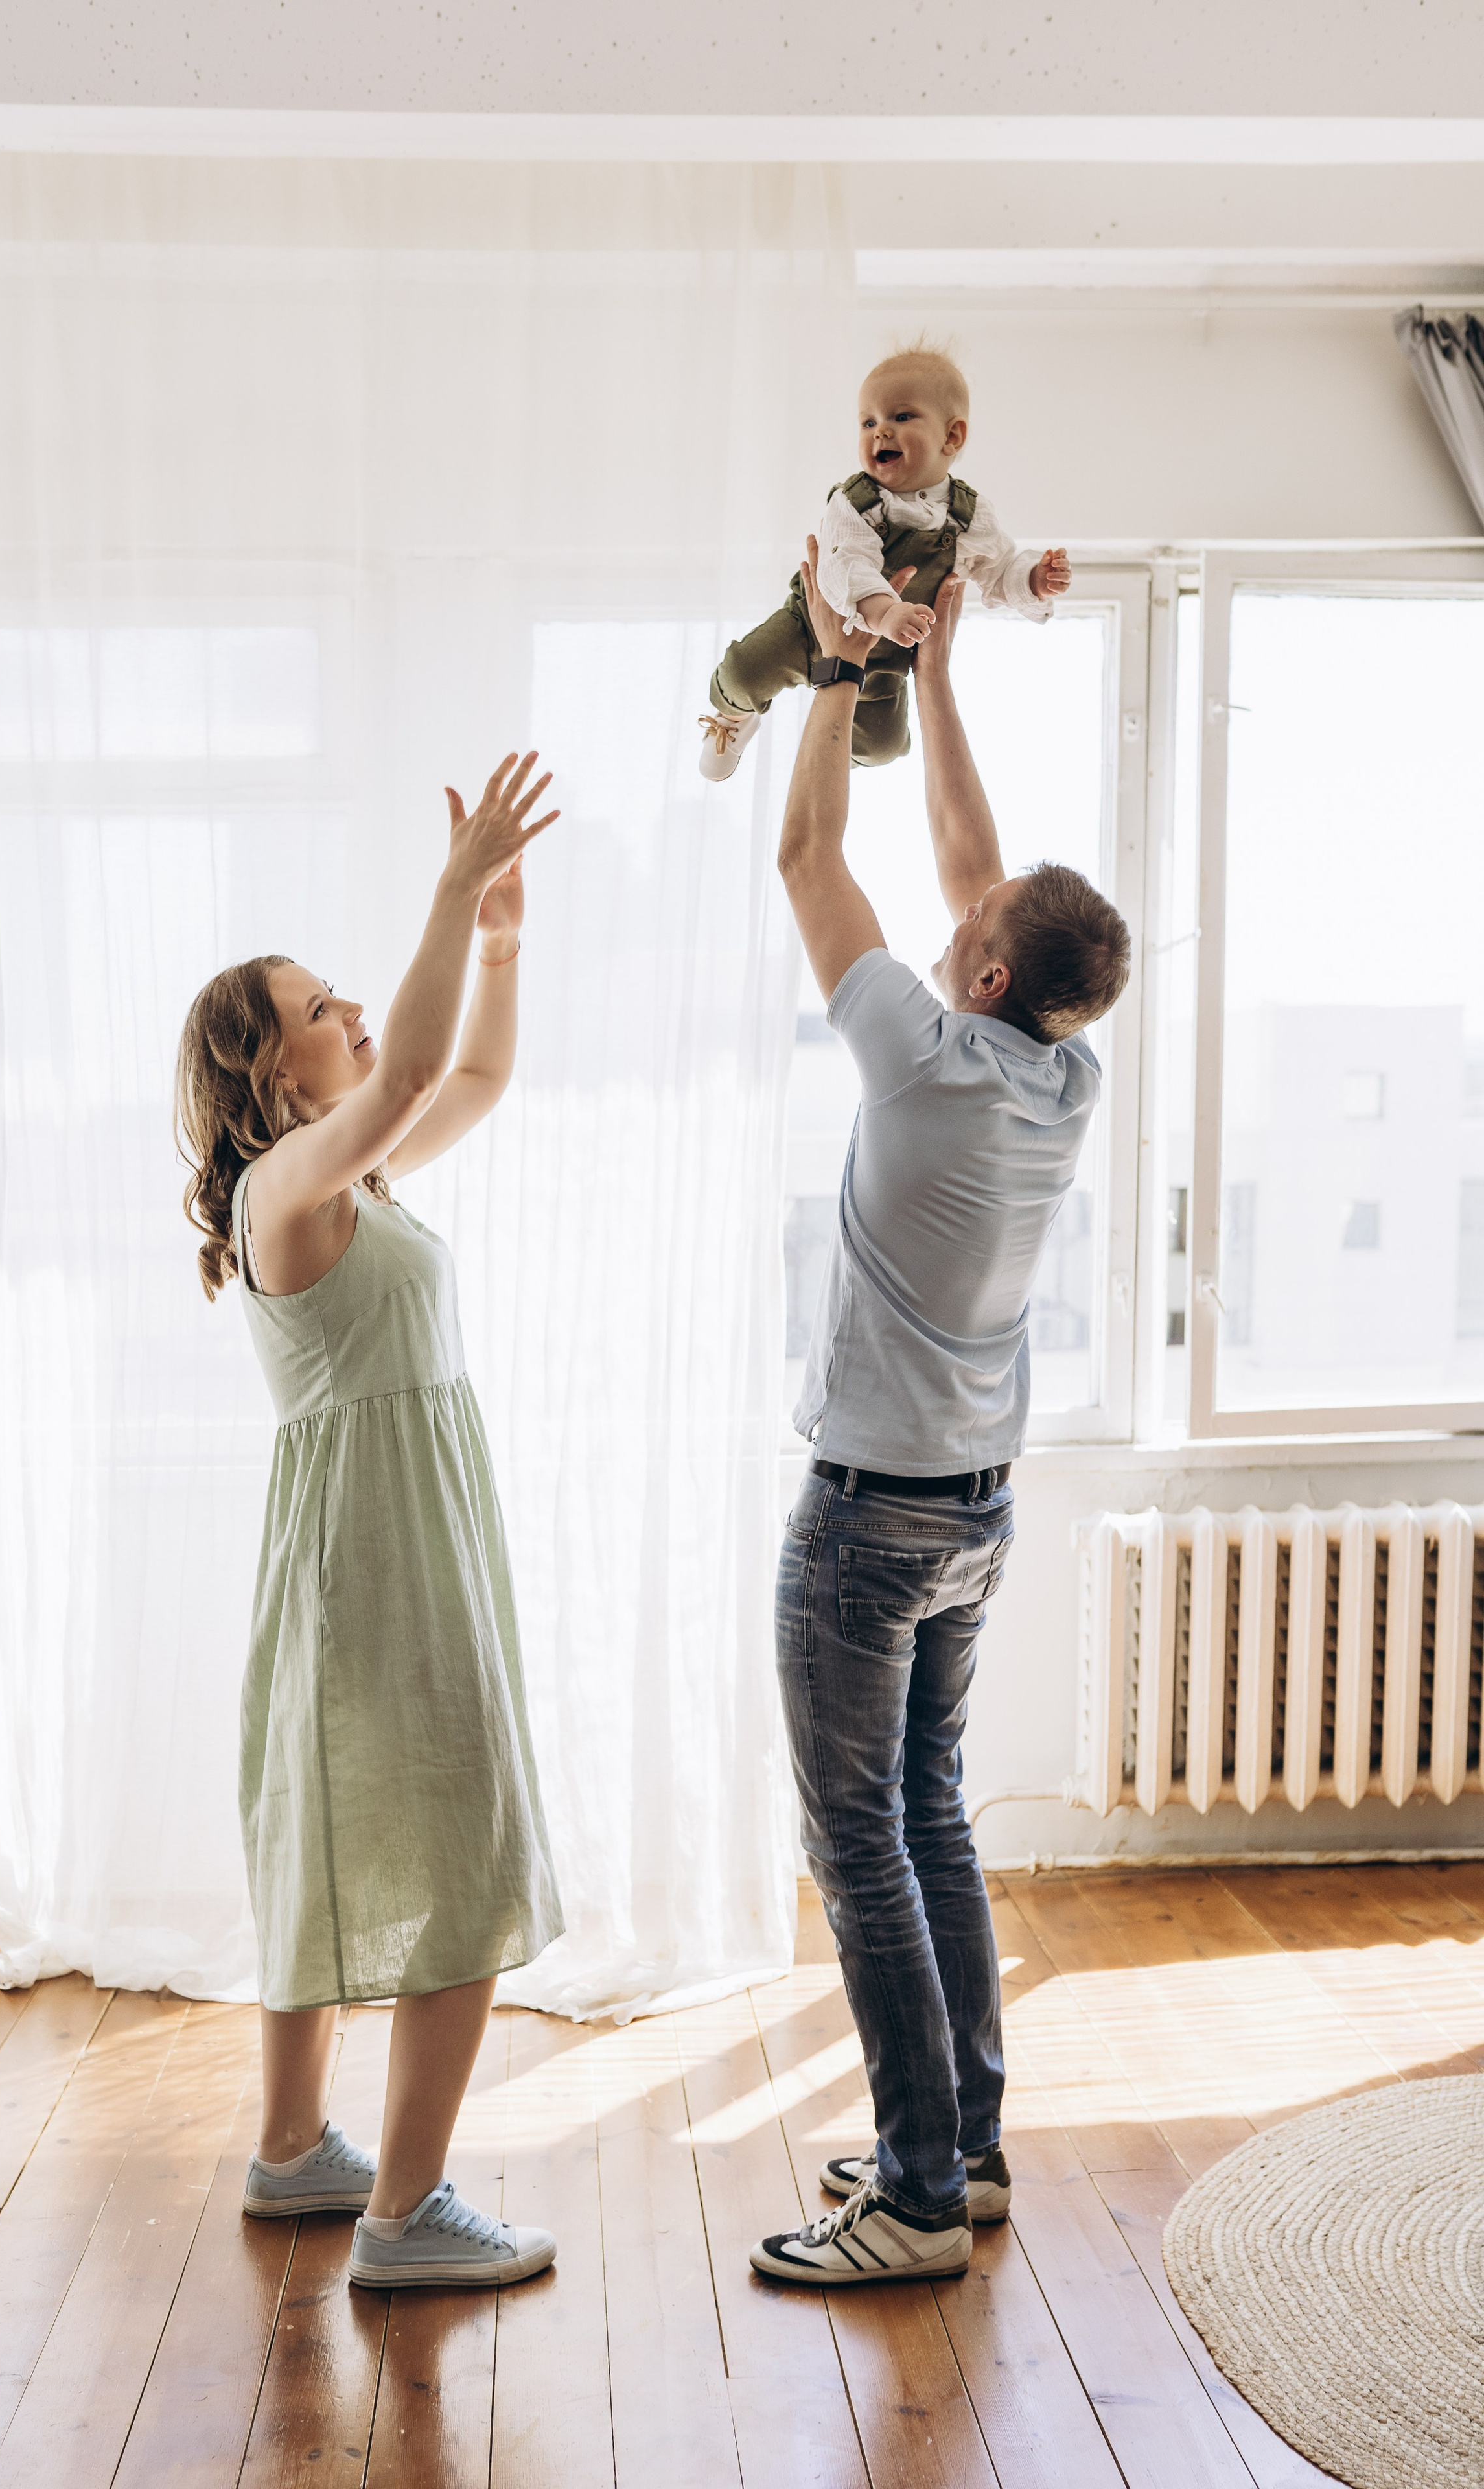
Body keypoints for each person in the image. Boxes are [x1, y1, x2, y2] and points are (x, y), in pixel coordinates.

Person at [750, 554, 1130, 2285]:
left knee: (865, 1849)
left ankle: (912, 2200)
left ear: (977, 975)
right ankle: (961, 2149)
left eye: (967, 928)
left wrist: (840, 674)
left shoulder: (916, 1049)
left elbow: (809, 858)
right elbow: (984, 879)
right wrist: (946, 679)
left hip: (868, 1525)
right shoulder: (1060, 1066)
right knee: (937, 1817)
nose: (950, 913)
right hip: (974, 1518)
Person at [175, 753, 566, 2293]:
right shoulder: (284, 1184)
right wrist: (450, 889)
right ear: (270, 1073)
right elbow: (408, 1074)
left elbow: (461, 1081)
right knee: (451, 1848)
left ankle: (294, 2156)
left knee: (334, 1840)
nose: (350, 1015)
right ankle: (402, 2218)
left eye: (348, 993)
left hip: (396, 1536)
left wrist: (503, 940)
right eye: (318, 1005)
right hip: (377, 1561)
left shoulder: (352, 1178)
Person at [697, 345, 1070, 781]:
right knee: (743, 674)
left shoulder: (968, 516)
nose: (880, 432)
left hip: (886, 655)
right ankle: (734, 719)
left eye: (902, 417)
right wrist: (886, 610)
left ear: (952, 437)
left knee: (883, 747)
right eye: (868, 422)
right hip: (810, 628)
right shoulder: (856, 502)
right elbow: (847, 563)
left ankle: (832, 740)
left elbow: (998, 565)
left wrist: (1033, 579)